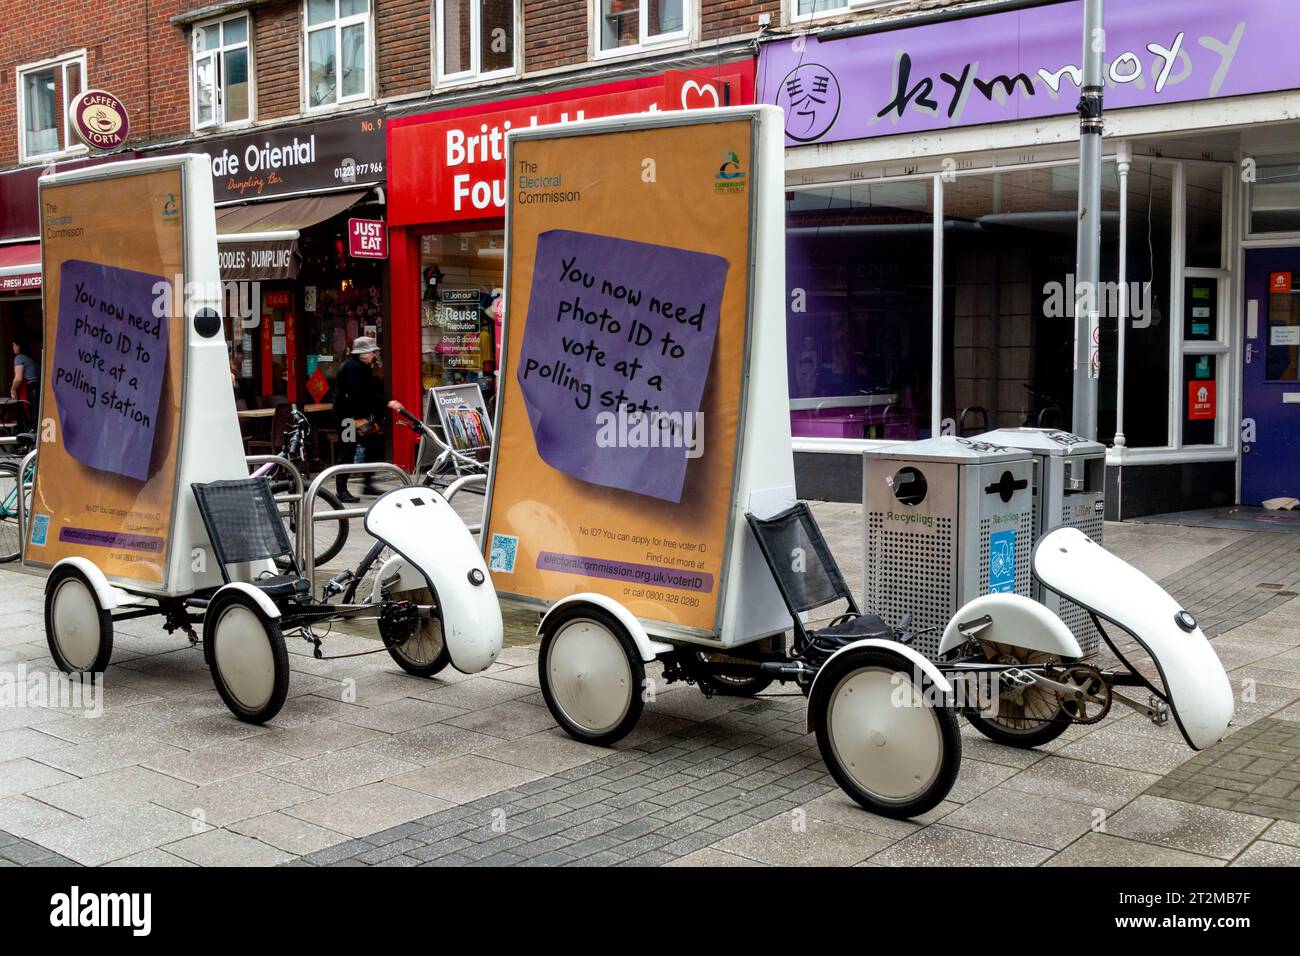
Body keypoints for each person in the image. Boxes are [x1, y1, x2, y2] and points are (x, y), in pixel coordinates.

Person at [333, 336, 384, 502]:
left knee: (373, 446)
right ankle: (341, 490)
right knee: (347, 452)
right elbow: (360, 394)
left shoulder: (362, 366)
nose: (374, 355)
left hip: (361, 417)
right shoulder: (351, 368)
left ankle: (367, 484)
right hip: (347, 418)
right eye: (372, 352)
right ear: (362, 353)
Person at [10, 341, 39, 434]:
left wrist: (13, 389)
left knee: (27, 415)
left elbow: (18, 378)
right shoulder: (32, 359)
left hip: (29, 389)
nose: (13, 347)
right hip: (38, 389)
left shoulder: (19, 358)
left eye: (14, 345)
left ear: (20, 346)